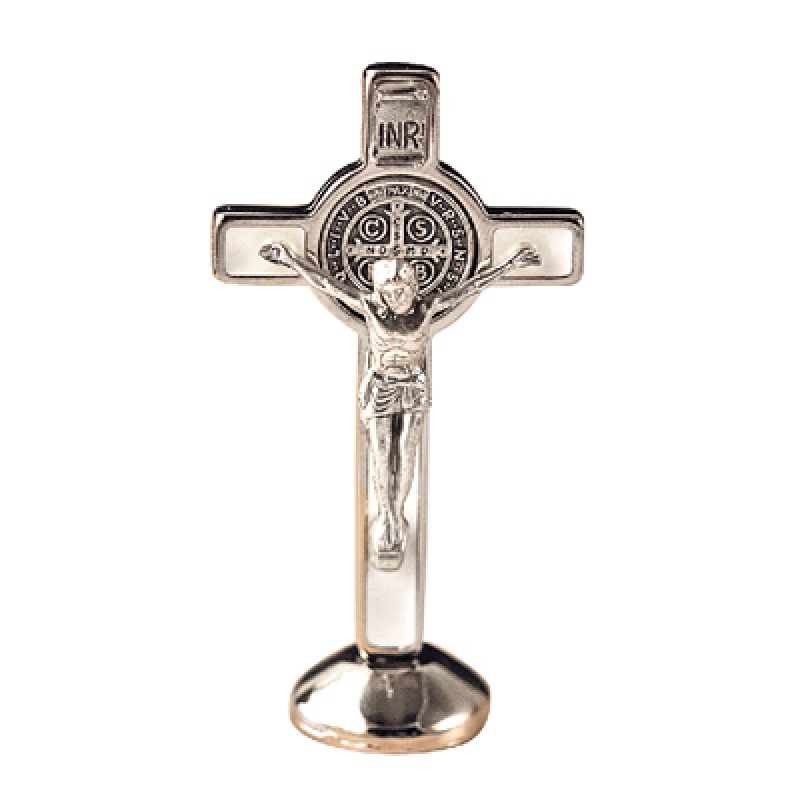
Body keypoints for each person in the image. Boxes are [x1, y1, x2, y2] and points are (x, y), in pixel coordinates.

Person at [260, 242, 539, 569]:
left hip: (413, 386)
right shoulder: (370, 307)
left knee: (407, 452)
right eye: (389, 293)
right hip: (381, 385)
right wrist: (290, 260)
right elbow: (326, 284)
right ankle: (388, 516)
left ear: (413, 288)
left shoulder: (428, 308)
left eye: (401, 291)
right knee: (380, 453)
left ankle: (396, 513)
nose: (395, 298)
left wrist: (510, 264)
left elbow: (471, 287)